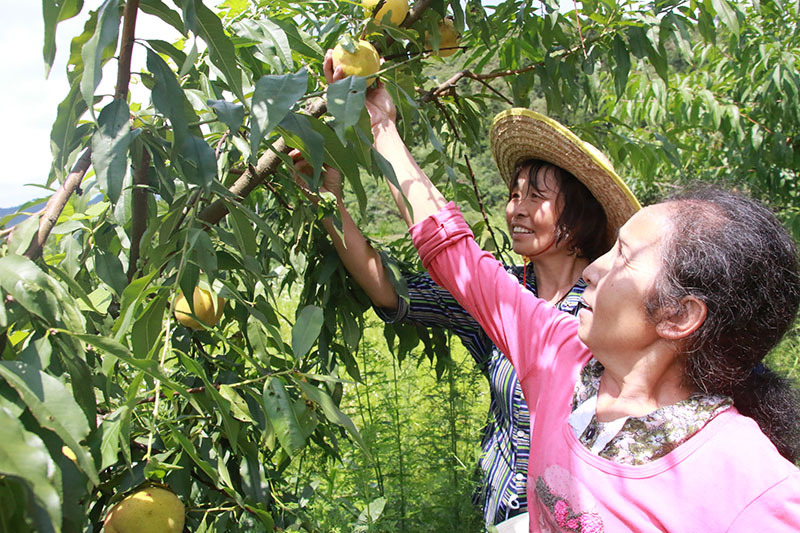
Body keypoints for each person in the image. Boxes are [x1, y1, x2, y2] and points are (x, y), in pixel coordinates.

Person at [354, 72, 800, 530]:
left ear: (679, 313)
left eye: (622, 257)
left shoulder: (751, 487)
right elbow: (454, 254)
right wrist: (382, 127)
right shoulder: (560, 358)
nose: (594, 269)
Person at [296, 52, 640, 528]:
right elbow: (389, 290)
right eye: (514, 194)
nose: (517, 209)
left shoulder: (611, 309)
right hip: (502, 516)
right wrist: (327, 196)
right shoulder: (498, 297)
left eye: (536, 197)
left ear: (580, 215)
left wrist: (383, 127)